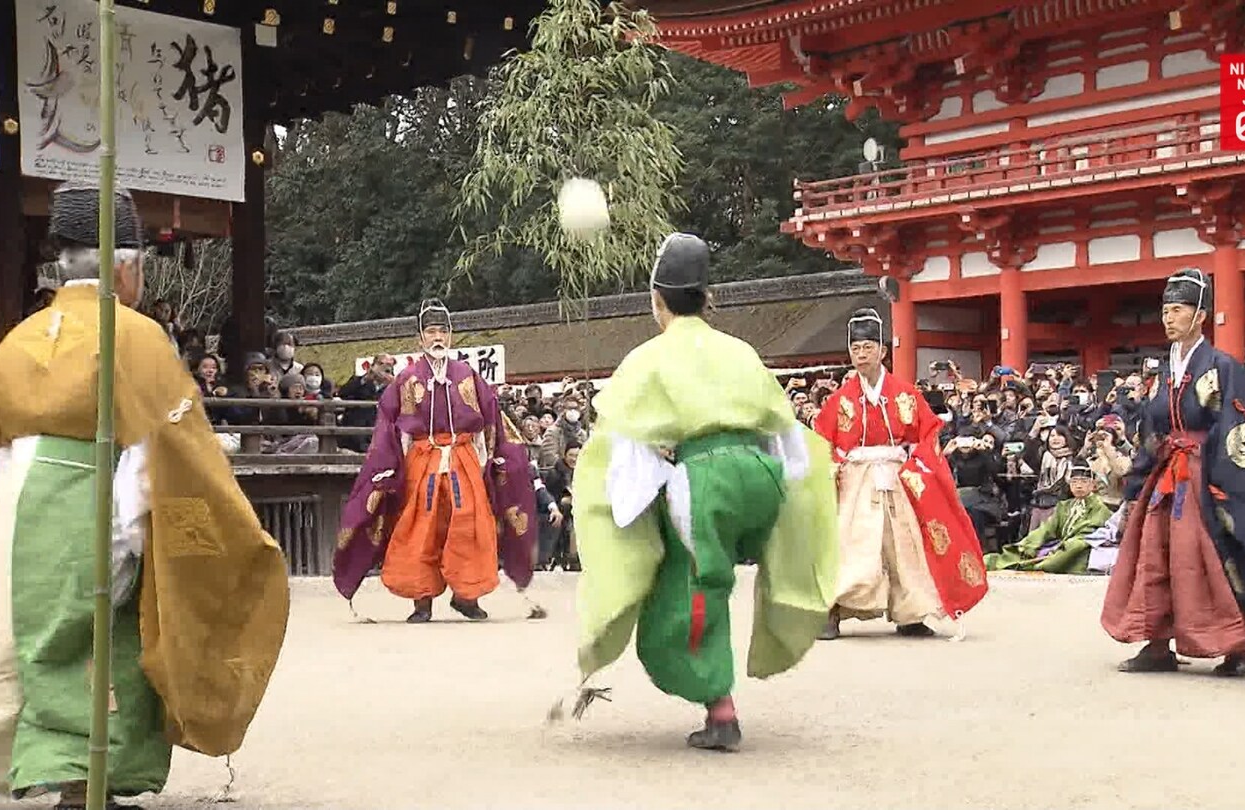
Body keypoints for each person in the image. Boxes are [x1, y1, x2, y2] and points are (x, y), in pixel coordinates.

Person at [0, 182, 290, 809]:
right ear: (126, 265)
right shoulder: (134, 336)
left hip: (15, 507)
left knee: (14, 645)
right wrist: (144, 532)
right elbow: (164, 449)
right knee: (109, 641)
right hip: (92, 501)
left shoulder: (18, 339)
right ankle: (82, 784)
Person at [567, 233, 837, 751]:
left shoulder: (648, 358)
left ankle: (721, 710)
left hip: (705, 480)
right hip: (762, 476)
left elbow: (622, 453)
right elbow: (784, 432)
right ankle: (785, 619)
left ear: (656, 298)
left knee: (687, 586)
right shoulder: (740, 351)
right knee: (719, 565)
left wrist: (622, 523)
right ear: (706, 296)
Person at [1101, 268, 1245, 681]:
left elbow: (1237, 431)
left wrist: (1222, 483)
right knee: (1155, 555)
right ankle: (1156, 642)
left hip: (1208, 472)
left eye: (1178, 309)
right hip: (1168, 472)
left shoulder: (1224, 366)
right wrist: (1137, 481)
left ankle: (1236, 647)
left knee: (1208, 557)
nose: (1168, 318)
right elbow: (1153, 427)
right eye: (1165, 310)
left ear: (1200, 315)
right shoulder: (1164, 371)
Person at [331, 298, 538, 623]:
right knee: (420, 526)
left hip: (464, 457)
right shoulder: (406, 380)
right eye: (431, 332)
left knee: (470, 523)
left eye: (443, 331)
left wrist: (490, 460)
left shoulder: (468, 376)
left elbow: (490, 421)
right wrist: (392, 464)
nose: (437, 337)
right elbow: (391, 424)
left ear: (451, 336)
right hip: (422, 459)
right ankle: (422, 601)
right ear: (420, 338)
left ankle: (466, 596)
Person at [811, 308, 988, 640]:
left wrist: (916, 465)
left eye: (867, 347)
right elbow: (822, 438)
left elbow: (928, 432)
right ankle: (831, 610)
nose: (861, 354)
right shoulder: (840, 399)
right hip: (857, 476)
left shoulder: (905, 394)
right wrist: (833, 466)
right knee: (852, 542)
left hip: (896, 475)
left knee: (905, 544)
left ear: (882, 350)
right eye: (855, 349)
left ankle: (911, 612)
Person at [985, 461, 1112, 574]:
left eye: (1084, 482)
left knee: (1068, 550)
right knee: (1023, 550)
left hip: (1080, 549)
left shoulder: (1100, 508)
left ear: (1092, 485)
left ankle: (1040, 563)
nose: (1078, 486)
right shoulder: (1064, 505)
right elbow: (1047, 528)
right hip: (1059, 544)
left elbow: (1087, 532)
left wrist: (1063, 546)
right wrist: (1029, 544)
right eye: (1074, 482)